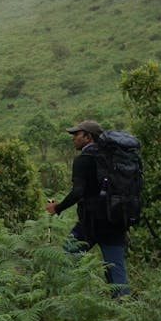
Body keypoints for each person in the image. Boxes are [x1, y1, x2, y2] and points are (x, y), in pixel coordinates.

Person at [44, 120, 130, 297]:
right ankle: (125, 308)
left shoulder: (83, 160)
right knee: (116, 269)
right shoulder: (114, 157)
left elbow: (77, 192)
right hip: (116, 219)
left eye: (77, 134)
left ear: (88, 137)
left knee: (64, 258)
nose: (73, 138)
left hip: (90, 223)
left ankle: (59, 298)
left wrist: (57, 208)